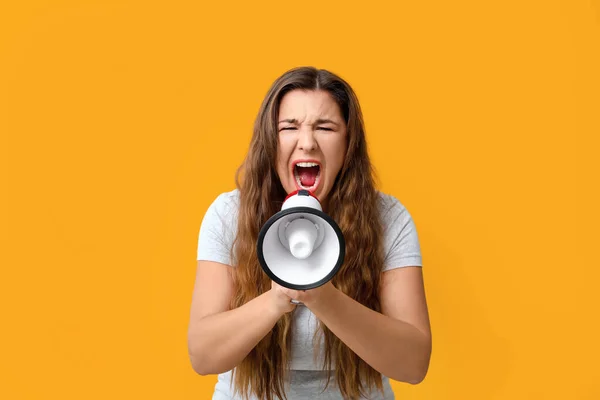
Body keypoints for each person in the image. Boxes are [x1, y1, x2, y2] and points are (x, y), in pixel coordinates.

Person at [188, 66, 432, 400]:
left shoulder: (387, 219)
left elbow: (414, 364)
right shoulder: (229, 215)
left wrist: (324, 298)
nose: (307, 143)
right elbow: (203, 356)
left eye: (325, 127)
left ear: (348, 144)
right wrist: (277, 299)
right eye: (289, 127)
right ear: (271, 142)